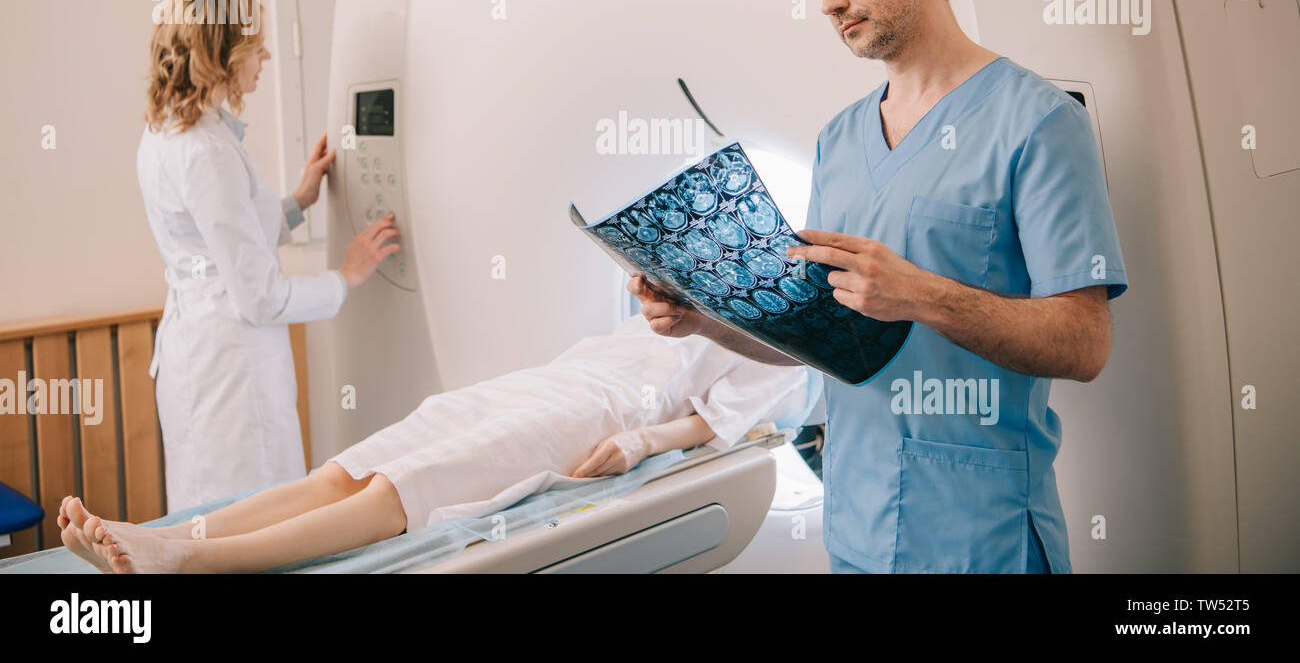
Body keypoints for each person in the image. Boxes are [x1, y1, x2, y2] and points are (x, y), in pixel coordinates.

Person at [631, 0, 1128, 574]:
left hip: (980, 537)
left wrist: (920, 293)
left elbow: (1085, 343)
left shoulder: (1039, 123)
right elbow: (823, 338)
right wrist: (702, 317)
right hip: (857, 528)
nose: (830, 0)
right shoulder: (839, 140)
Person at [56, 314, 814, 573]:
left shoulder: (786, 345)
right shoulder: (692, 290)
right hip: (548, 381)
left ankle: (191, 559)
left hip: (594, 414)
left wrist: (638, 444)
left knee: (404, 488)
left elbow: (713, 426)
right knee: (353, 467)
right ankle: (162, 535)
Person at [138, 0, 400, 513]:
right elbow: (260, 296)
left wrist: (301, 198)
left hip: (199, 350)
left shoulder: (167, 132)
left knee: (209, 512)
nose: (267, 55)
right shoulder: (204, 151)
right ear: (224, 53)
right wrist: (346, 275)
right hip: (230, 369)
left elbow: (220, 237)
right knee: (249, 516)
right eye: (256, 44)